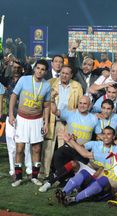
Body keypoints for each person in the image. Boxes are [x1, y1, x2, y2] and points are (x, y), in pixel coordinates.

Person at [9, 59, 51, 187]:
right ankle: (18, 177)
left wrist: (46, 123)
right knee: (20, 148)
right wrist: (11, 114)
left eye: (42, 69)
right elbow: (13, 96)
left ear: (45, 72)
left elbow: (47, 106)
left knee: (37, 149)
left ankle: (34, 176)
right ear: (34, 68)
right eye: (38, 68)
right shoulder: (24, 79)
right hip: (22, 118)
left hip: (37, 120)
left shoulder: (47, 85)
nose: (39, 71)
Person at [42, 65, 83, 177]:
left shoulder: (77, 86)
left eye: (67, 73)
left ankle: (62, 174)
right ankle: (44, 174)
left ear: (71, 75)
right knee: (48, 148)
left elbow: (80, 104)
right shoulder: (51, 83)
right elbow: (44, 101)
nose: (64, 75)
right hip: (52, 120)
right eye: (62, 73)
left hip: (67, 123)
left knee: (63, 150)